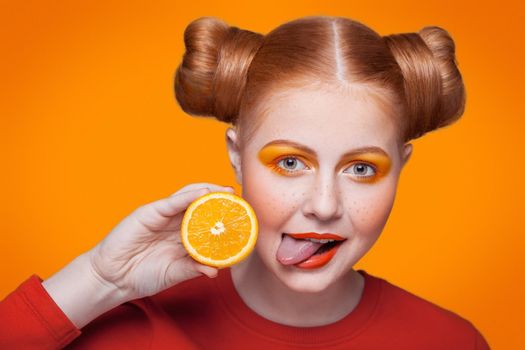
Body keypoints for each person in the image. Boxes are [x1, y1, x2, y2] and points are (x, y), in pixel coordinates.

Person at [0, 15, 491, 349]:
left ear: (401, 167)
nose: (323, 206)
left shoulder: (446, 340)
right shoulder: (123, 328)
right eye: (291, 163)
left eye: (361, 168)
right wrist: (96, 280)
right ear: (237, 155)